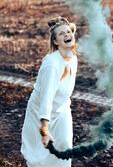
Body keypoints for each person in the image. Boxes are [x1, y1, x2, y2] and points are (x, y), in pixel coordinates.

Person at [20, 16, 78, 167]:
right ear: (55, 42)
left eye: (68, 32)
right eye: (61, 34)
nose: (67, 35)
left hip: (62, 110)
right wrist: (44, 129)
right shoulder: (52, 64)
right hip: (40, 113)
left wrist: (63, 24)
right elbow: (46, 98)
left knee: (64, 147)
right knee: (40, 157)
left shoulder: (73, 58)